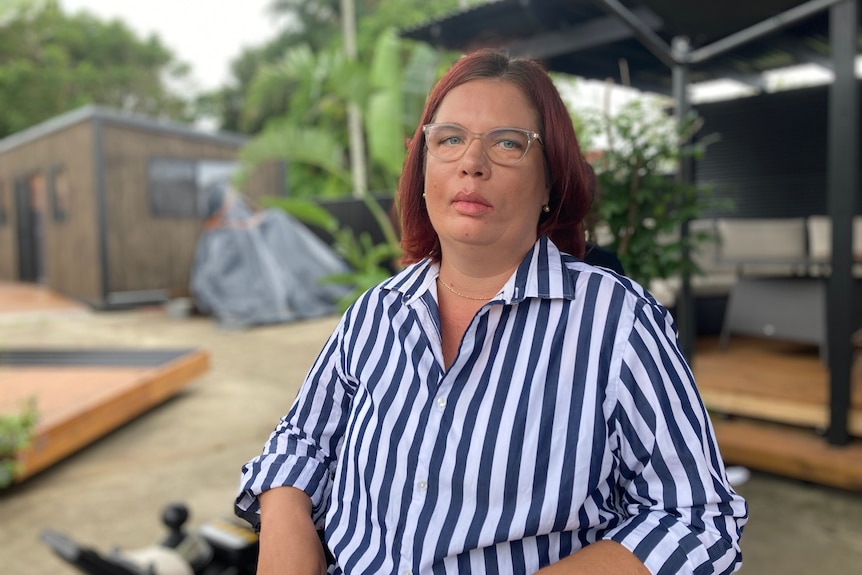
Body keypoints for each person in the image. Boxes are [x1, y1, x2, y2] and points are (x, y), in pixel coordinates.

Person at [235, 49, 748, 575]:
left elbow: (695, 521)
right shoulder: (377, 313)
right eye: (450, 138)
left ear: (550, 182)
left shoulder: (617, 324)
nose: (471, 162)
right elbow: (301, 440)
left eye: (507, 143)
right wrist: (284, 522)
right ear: (423, 168)